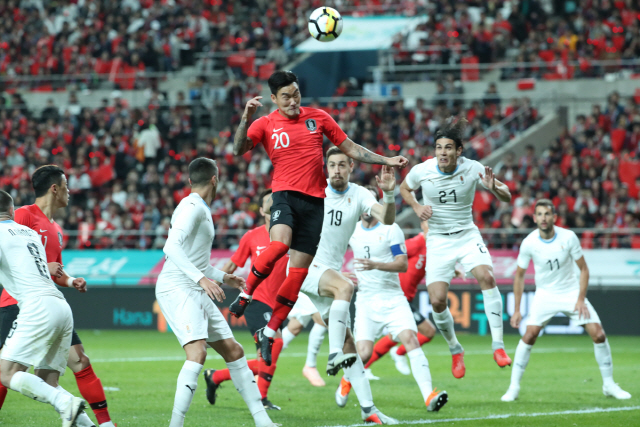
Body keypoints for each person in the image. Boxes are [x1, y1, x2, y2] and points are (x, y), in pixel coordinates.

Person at [228, 70, 408, 368]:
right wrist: (246, 117)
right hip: (284, 195)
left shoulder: (318, 118)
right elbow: (237, 149)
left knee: (297, 275)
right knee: (279, 247)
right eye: (286, 96)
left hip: (315, 203)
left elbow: (351, 148)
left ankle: (269, 332)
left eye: (296, 93)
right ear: (274, 99)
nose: (293, 100)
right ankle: (246, 295)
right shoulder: (266, 123)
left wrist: (385, 159)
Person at [155, 158, 277, 427]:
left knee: (234, 351)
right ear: (215, 179)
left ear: (190, 181)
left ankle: (262, 421)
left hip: (191, 284)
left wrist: (222, 277)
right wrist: (201, 280)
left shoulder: (198, 207)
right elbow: (171, 248)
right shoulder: (192, 207)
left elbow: (194, 258)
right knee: (197, 353)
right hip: (178, 286)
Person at [0, 165, 116, 427]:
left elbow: (48, 267)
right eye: (66, 185)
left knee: (8, 372)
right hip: (20, 304)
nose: (70, 191)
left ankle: (89, 415)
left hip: (35, 304)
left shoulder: (55, 229)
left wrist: (70, 279)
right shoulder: (23, 217)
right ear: (55, 188)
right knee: (42, 376)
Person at [399, 118, 512, 379]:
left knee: (487, 276)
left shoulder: (473, 169)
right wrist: (416, 208)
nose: (443, 153)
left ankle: (498, 347)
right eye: (439, 148)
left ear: (459, 151)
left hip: (466, 235)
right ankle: (455, 349)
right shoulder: (423, 170)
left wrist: (494, 187)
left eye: (448, 148)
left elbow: (506, 194)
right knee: (437, 300)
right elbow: (405, 188)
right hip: (438, 240)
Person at [300, 147, 399, 424]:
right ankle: (332, 356)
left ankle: (369, 410)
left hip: (326, 270)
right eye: (331, 165)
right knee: (345, 287)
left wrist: (389, 194)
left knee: (349, 343)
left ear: (351, 166)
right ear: (326, 167)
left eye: (342, 165)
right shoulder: (314, 190)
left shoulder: (359, 194)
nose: (336, 170)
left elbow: (387, 219)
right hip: (304, 265)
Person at [501, 199, 631, 402]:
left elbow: (584, 269)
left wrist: (580, 299)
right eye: (540, 214)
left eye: (547, 214)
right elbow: (519, 275)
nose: (544, 218)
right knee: (529, 336)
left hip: (570, 293)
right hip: (545, 294)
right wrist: (517, 310)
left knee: (598, 335)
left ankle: (609, 385)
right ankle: (513, 387)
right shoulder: (529, 242)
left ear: (554, 217)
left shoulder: (568, 237)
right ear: (534, 218)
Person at [338, 196, 447, 413]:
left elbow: (402, 264)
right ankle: (345, 380)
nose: (368, 208)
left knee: (411, 339)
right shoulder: (351, 230)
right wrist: (338, 275)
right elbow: (331, 251)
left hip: (394, 298)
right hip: (367, 300)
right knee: (364, 353)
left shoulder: (391, 229)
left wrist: (375, 265)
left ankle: (429, 397)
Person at [0, 190, 87, 427]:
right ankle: (87, 424)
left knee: (6, 373)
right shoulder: (29, 232)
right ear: (11, 211)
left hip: (36, 307)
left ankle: (64, 403)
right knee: (48, 383)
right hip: (60, 306)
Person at [203, 189, 286, 410]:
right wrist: (213, 284)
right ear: (261, 210)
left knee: (265, 359)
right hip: (256, 300)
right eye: (268, 201)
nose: (272, 203)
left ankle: (216, 376)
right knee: (275, 343)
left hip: (279, 304)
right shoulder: (252, 236)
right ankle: (261, 399)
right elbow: (232, 265)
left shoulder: (289, 236)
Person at [363, 221, 462, 376]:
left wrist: (453, 271)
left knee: (398, 335)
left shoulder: (433, 248)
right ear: (423, 225)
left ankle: (367, 366)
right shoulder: (416, 243)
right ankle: (395, 354)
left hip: (405, 298)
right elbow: (392, 256)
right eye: (431, 224)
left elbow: (437, 264)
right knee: (426, 331)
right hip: (395, 296)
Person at [281, 293, 327, 387]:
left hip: (310, 286)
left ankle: (262, 361)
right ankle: (310, 366)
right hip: (304, 284)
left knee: (295, 327)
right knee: (322, 319)